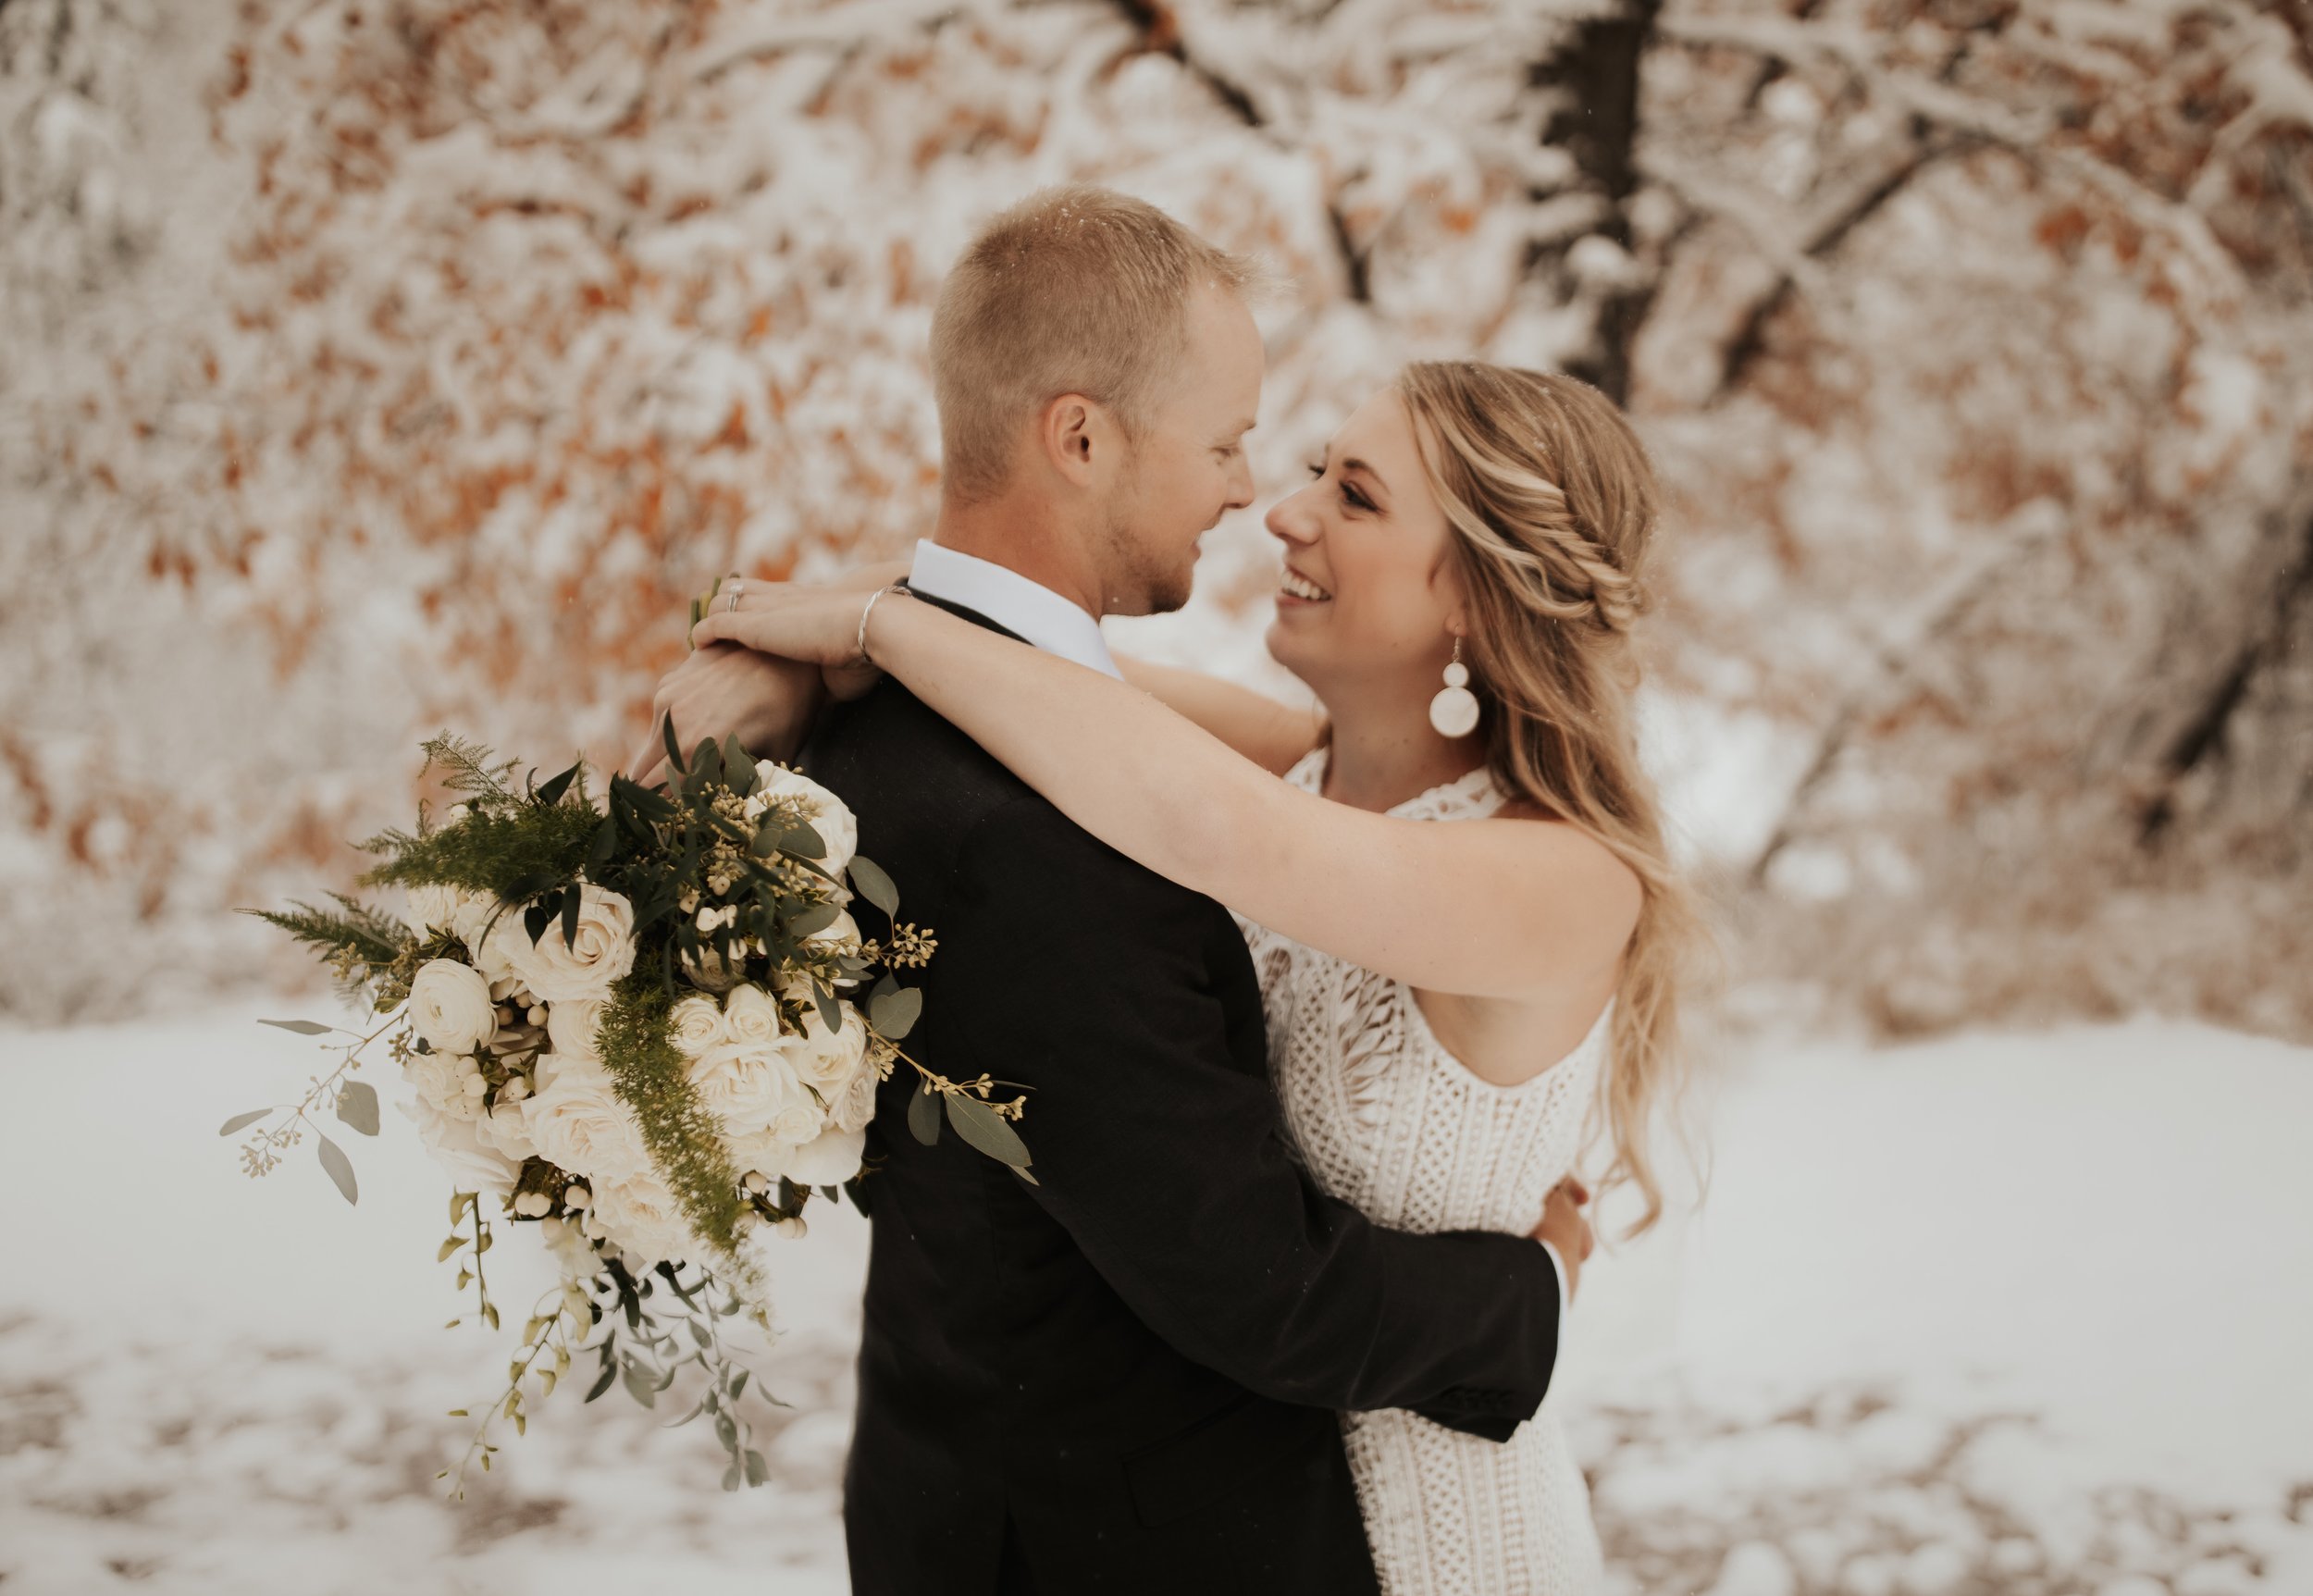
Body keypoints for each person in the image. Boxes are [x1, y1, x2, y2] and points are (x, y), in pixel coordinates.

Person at [646, 187, 1688, 1595]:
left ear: (1474, 603)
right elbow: (1069, 675)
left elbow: (1192, 809)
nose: (1282, 509)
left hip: (1442, 1522)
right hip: (1258, 1506)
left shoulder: (1563, 876)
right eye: (1307, 463)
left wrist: (878, 620)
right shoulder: (1300, 763)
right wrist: (827, 638)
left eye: (1354, 493)